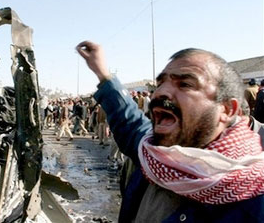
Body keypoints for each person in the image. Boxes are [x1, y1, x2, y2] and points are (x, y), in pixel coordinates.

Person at [76, 40, 264, 222]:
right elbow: (130, 121)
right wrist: (102, 72)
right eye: (160, 83)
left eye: (185, 84)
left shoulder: (252, 198)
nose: (160, 93)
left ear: (227, 110)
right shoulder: (152, 154)